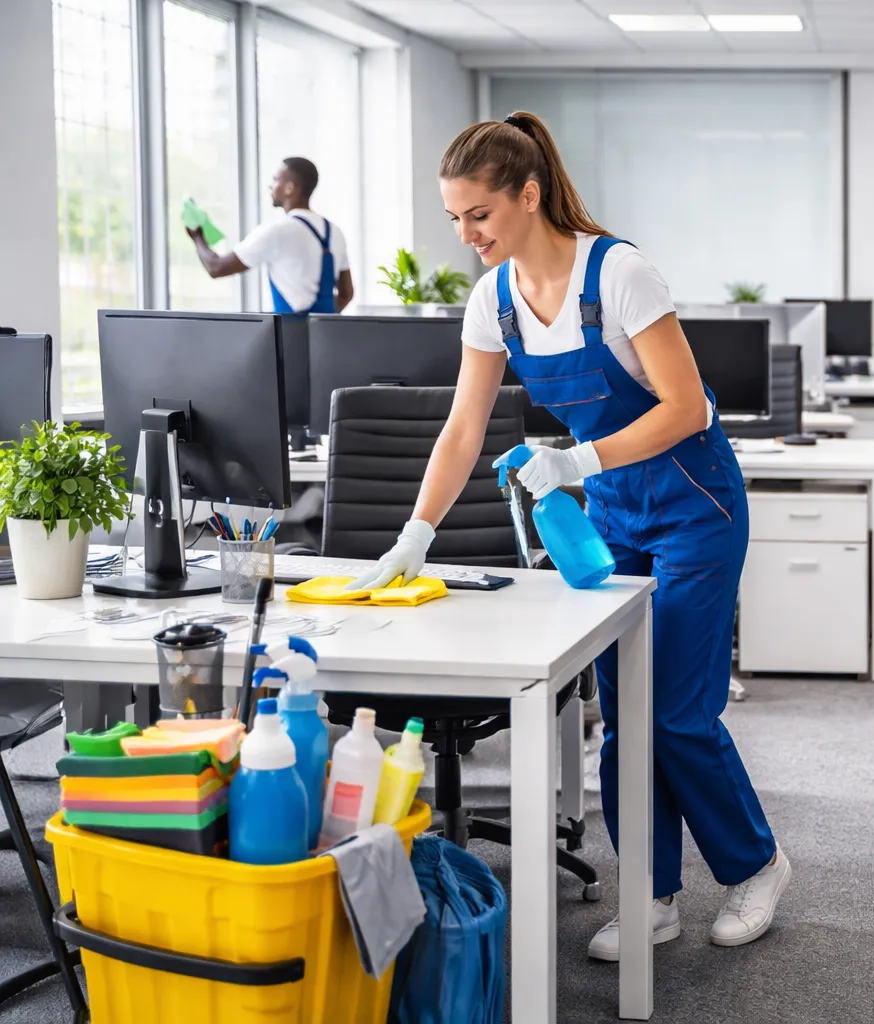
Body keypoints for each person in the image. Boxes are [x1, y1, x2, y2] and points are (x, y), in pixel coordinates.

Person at [345, 112, 790, 959]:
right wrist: (416, 533)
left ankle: (756, 865)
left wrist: (576, 459)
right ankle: (651, 894)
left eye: (478, 214)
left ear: (528, 195)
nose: (466, 234)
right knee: (623, 717)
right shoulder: (494, 299)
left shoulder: (617, 273)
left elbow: (686, 407)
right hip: (615, 509)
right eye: (453, 219)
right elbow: (462, 428)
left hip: (696, 504)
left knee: (680, 715)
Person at [188, 157, 353, 315]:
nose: (271, 186)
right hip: (326, 338)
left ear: (290, 188)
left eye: (275, 180)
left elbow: (216, 268)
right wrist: (319, 321)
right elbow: (346, 293)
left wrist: (197, 237)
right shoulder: (334, 232)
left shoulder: (278, 231)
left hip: (290, 337)